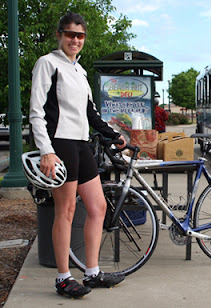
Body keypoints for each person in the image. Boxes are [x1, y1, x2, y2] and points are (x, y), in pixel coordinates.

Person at [29, 12, 126, 298]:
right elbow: (36, 112)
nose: (75, 39)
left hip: (82, 144)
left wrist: (113, 135)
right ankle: (62, 278)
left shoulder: (79, 71)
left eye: (80, 35)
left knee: (98, 207)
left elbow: (90, 113)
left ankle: (92, 272)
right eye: (70, 34)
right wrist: (46, 151)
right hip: (60, 144)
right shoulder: (48, 64)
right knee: (67, 211)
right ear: (59, 35)